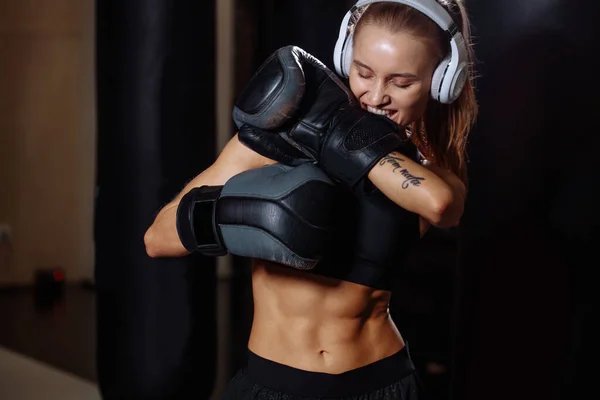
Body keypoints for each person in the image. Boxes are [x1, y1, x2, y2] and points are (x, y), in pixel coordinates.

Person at [144, 0, 477, 399]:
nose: (376, 95)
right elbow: (157, 239)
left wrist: (340, 132)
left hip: (380, 382)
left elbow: (441, 204)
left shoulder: (429, 164)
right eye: (363, 72)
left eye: (401, 83)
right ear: (344, 57)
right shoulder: (280, 136)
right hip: (272, 382)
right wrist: (231, 213)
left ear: (441, 81)